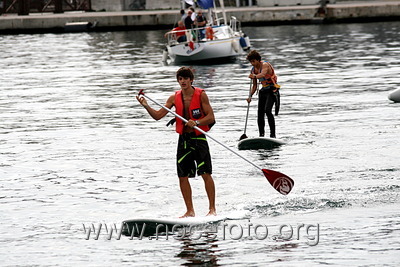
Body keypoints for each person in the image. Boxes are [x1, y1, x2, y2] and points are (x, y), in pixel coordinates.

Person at [136, 67, 217, 218]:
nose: (183, 81)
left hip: (199, 138)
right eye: (180, 79)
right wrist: (146, 106)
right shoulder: (174, 98)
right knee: (182, 176)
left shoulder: (201, 95)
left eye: (186, 78)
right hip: (184, 140)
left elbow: (211, 117)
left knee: (205, 173)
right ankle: (190, 211)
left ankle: (212, 209)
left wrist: (197, 122)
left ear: (191, 80)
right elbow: (158, 116)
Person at [246, 50, 280, 138]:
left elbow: (263, 74)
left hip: (272, 90)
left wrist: (254, 76)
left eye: (253, 61)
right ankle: (261, 135)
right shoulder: (253, 70)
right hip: (263, 91)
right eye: (251, 62)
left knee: (268, 111)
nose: (252, 63)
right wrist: (250, 96)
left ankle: (273, 135)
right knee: (260, 113)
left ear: (258, 60)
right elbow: (254, 86)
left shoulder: (265, 65)